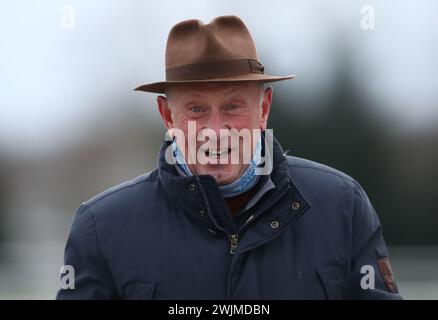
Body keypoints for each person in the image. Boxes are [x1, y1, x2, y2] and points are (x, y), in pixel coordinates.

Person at [57, 15, 401, 299]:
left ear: (263, 108)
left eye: (233, 106)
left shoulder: (342, 206)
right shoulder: (101, 227)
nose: (216, 130)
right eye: (196, 109)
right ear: (167, 116)